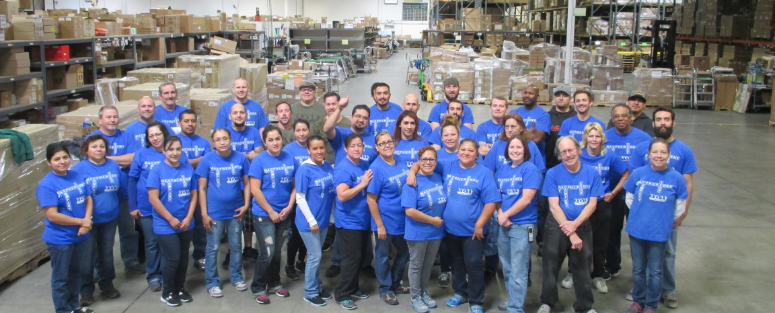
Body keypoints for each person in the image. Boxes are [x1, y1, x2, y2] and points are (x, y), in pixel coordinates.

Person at [407, 139, 500, 313]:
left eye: (470, 150)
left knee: (473, 265)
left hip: (473, 230)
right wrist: (412, 172)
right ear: (458, 151)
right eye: (463, 149)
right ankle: (460, 292)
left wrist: (480, 224)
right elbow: (424, 160)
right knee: (456, 263)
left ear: (476, 154)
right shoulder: (449, 166)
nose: (466, 153)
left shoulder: (484, 173)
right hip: (450, 229)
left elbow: (491, 202)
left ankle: (476, 301)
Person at [628, 107, 696, 309]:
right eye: (659, 119)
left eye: (667, 119)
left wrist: (680, 215)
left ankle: (666, 292)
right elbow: (632, 190)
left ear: (673, 122)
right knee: (639, 266)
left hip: (665, 219)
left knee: (666, 257)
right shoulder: (641, 153)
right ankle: (640, 297)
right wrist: (638, 210)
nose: (663, 122)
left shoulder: (684, 151)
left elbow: (687, 185)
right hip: (641, 219)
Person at [538, 136, 604, 313]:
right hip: (557, 225)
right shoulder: (553, 173)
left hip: (581, 224)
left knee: (582, 267)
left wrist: (575, 224)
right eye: (563, 152)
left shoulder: (591, 173)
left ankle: (585, 306)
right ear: (559, 156)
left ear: (578, 150)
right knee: (550, 265)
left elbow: (592, 203)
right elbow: (553, 205)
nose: (568, 155)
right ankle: (548, 302)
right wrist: (571, 231)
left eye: (571, 150)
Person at [562, 122, 628, 294]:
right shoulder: (579, 154)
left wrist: (612, 193)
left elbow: (626, 174)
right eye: (591, 136)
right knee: (576, 240)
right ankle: (572, 272)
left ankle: (598, 274)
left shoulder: (610, 156)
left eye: (597, 136)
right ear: (585, 137)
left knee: (600, 241)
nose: (594, 139)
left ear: (602, 138)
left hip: (601, 204)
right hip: (581, 204)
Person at [623, 138, 688, 313]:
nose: (659, 156)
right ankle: (638, 301)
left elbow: (680, 204)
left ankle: (651, 305)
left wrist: (665, 219)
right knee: (638, 268)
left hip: (659, 231)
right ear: (649, 154)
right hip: (637, 229)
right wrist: (640, 212)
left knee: (656, 270)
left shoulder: (676, 178)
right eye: (655, 152)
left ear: (669, 155)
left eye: (663, 152)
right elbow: (630, 197)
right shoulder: (639, 173)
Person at [128, 121, 188, 292]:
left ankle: (167, 274)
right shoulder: (141, 153)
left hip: (171, 208)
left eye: (158, 134)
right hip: (147, 207)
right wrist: (133, 205)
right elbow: (132, 179)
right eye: (151, 136)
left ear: (164, 134)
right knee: (152, 241)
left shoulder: (175, 153)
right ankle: (154, 275)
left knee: (168, 244)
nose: (155, 138)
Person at [37, 142, 95, 313]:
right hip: (61, 239)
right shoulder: (46, 185)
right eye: (57, 159)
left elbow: (88, 199)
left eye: (65, 157)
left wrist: (86, 220)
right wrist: (81, 222)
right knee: (61, 277)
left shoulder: (76, 175)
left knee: (76, 272)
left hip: (80, 235)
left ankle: (74, 306)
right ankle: (63, 309)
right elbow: (52, 215)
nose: (62, 162)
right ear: (49, 162)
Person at [86, 106, 143, 276]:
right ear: (100, 120)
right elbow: (89, 165)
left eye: (115, 117)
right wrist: (119, 161)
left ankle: (131, 262)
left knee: (128, 231)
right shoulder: (92, 138)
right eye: (108, 117)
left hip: (124, 193)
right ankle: (98, 270)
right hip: (100, 197)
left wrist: (105, 160)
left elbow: (133, 158)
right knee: (101, 237)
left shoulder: (126, 136)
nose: (112, 120)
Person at [197, 128, 251, 298]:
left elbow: (247, 184)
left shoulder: (241, 158)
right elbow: (202, 188)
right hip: (214, 214)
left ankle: (236, 277)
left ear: (230, 139)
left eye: (225, 138)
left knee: (236, 245)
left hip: (235, 211)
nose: (222, 142)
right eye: (218, 139)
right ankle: (212, 282)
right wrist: (204, 213)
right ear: (213, 142)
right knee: (212, 248)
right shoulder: (207, 160)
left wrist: (246, 204)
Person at [146, 136, 198, 307]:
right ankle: (167, 291)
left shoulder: (187, 168)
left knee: (183, 257)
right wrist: (171, 219)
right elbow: (154, 199)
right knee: (172, 258)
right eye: (170, 149)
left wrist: (189, 217)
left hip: (185, 222)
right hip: (165, 224)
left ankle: (179, 288)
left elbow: (193, 195)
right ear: (164, 151)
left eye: (177, 149)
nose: (175, 153)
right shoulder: (157, 170)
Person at [494, 136, 542, 313]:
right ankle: (513, 299)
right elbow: (497, 196)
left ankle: (516, 307)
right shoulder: (502, 170)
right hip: (504, 224)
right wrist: (501, 215)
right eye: (512, 147)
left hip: (523, 226)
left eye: (519, 147)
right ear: (507, 150)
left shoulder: (530, 169)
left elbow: (527, 199)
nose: (515, 150)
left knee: (518, 269)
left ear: (525, 150)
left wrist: (506, 214)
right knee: (507, 267)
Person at [249, 125, 297, 304]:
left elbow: (294, 186)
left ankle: (275, 283)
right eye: (270, 140)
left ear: (282, 139)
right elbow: (255, 189)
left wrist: (289, 207)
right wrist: (271, 211)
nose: (275, 143)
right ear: (264, 142)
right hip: (264, 214)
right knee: (267, 252)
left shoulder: (290, 158)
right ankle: (258, 287)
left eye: (277, 138)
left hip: (284, 214)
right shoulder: (259, 161)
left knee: (277, 252)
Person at [603, 104, 651, 279]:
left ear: (631, 117)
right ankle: (612, 266)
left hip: (636, 194)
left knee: (637, 232)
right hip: (613, 192)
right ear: (612, 119)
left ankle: (641, 271)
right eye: (616, 116)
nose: (620, 119)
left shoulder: (644, 138)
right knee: (612, 231)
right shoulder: (605, 138)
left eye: (624, 115)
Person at [73, 135, 122, 306]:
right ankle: (86, 290)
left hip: (109, 218)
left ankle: (107, 284)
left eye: (102, 146)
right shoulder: (79, 169)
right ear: (86, 149)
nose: (99, 149)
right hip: (88, 221)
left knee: (106, 254)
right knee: (87, 256)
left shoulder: (113, 165)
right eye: (94, 146)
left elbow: (120, 189)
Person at [367, 131, 411, 305]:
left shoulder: (399, 159)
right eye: (382, 143)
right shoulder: (376, 168)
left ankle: (395, 283)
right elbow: (371, 199)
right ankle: (385, 288)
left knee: (405, 251)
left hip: (402, 219)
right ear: (377, 148)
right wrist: (379, 225)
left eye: (389, 142)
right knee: (383, 254)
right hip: (384, 220)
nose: (387, 145)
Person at [402, 146, 446, 313]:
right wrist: (432, 220)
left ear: (436, 162)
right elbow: (410, 211)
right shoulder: (411, 182)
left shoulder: (438, 177)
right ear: (418, 161)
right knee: (416, 265)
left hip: (436, 232)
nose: (428, 162)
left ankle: (424, 292)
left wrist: (436, 223)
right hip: (418, 231)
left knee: (428, 264)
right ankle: (415, 297)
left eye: (432, 159)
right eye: (425, 159)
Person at [333, 134, 374, 310]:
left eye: (359, 145)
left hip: (362, 220)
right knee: (351, 259)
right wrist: (362, 184)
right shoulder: (344, 168)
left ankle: (353, 288)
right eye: (353, 146)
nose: (357, 149)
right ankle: (342, 294)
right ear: (346, 148)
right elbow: (342, 195)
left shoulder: (363, 165)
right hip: (349, 222)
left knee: (358, 258)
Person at [294, 135, 336, 306]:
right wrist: (312, 221)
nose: (319, 151)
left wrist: (331, 216)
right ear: (308, 151)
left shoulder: (327, 166)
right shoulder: (305, 169)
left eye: (321, 148)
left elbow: (331, 194)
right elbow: (300, 198)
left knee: (316, 256)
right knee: (315, 255)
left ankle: (316, 286)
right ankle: (310, 292)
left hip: (324, 219)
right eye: (314, 149)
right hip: (308, 222)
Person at [539, 85, 576, 252]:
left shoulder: (575, 117)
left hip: (570, 169)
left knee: (568, 205)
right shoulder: (547, 117)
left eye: (565, 95)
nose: (561, 98)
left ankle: (569, 237)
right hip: (550, 167)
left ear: (570, 98)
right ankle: (543, 242)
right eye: (558, 95)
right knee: (547, 206)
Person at [177, 109, 210, 271]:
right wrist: (199, 160)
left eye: (193, 121)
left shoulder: (204, 142)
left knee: (200, 227)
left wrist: (188, 162)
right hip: (179, 193)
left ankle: (200, 256)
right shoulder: (175, 142)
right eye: (186, 121)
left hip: (200, 191)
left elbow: (208, 164)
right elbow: (176, 163)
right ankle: (178, 258)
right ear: (179, 123)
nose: (190, 124)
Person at [283, 119, 312, 280]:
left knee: (306, 233)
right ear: (294, 132)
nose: (302, 133)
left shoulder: (311, 147)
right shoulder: (288, 150)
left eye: (304, 130)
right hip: (295, 198)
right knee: (295, 234)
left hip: (311, 198)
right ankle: (289, 264)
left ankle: (301, 260)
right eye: (298, 130)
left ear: (309, 131)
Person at [510, 85, 551, 157]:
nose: (527, 95)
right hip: (515, 157)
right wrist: (528, 132)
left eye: (531, 93)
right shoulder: (513, 113)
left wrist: (517, 130)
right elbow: (506, 136)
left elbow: (536, 139)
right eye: (525, 93)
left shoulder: (543, 115)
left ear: (537, 96)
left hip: (534, 158)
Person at [312, 92, 351, 165]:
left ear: (339, 104)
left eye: (334, 104)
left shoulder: (348, 124)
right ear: (324, 106)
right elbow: (313, 149)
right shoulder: (317, 126)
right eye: (328, 104)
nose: (331, 107)